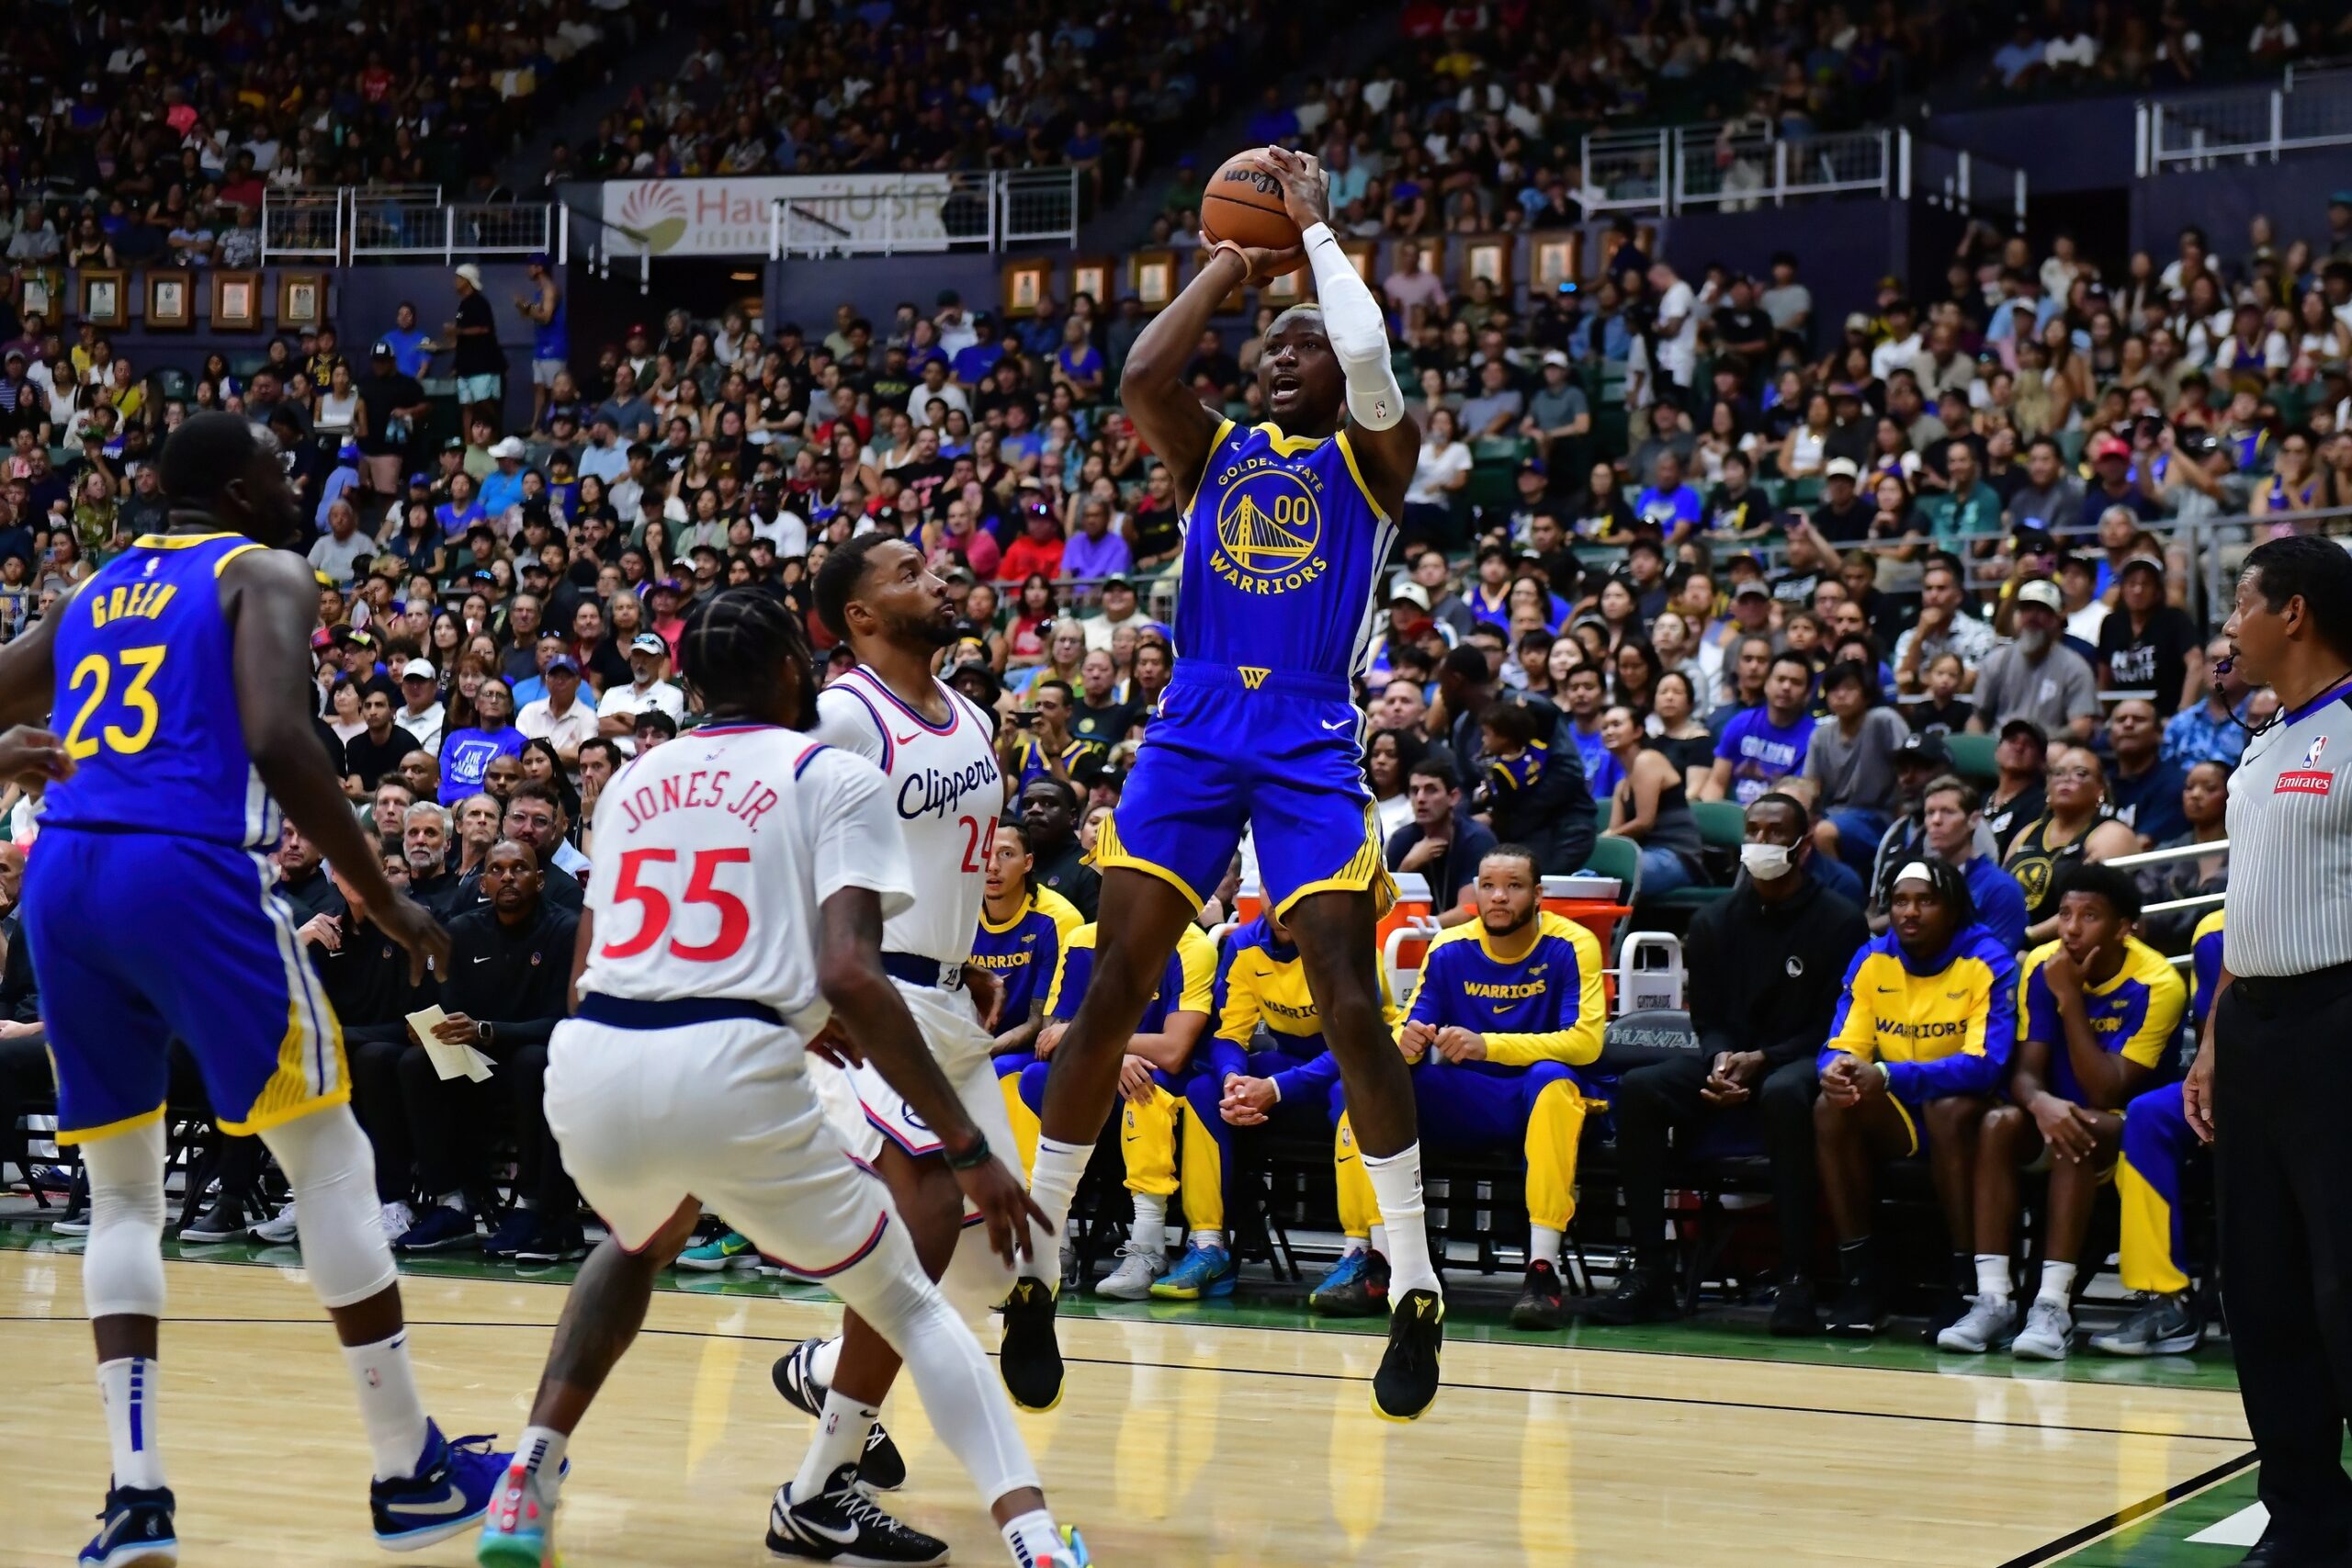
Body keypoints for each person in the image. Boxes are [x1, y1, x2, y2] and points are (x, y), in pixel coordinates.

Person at [470, 591, 1087, 1568]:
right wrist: (966, 1145)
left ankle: (527, 1478)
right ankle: (1036, 1542)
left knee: (637, 1243)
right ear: (799, 672)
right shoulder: (830, 769)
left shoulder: (632, 778)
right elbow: (848, 969)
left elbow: (591, 963)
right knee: (912, 1302)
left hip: (591, 1063)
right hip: (729, 1063)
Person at [0, 412, 506, 1562]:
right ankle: (407, 1470)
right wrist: (380, 895)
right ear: (236, 487)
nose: (295, 486)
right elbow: (281, 737)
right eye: (282, 469)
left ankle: (135, 1499)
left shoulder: (90, 592)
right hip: (180, 868)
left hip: (65, 875)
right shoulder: (262, 569)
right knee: (329, 1155)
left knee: (124, 1197)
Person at [1006, 147, 1448, 1421]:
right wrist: (1224, 266)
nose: (1277, 361)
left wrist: (1312, 242)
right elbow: (1145, 373)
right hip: (1195, 718)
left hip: (1308, 727)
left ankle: (1414, 1280)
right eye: (1271, 351)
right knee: (1113, 995)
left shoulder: (1373, 462)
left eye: (1294, 351)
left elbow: (1370, 364)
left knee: (1351, 999)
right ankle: (1036, 1263)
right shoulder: (1212, 456)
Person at [757, 534, 1040, 1552]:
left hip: (946, 1002)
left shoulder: (968, 714)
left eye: (936, 567)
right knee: (918, 1221)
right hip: (874, 1003)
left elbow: (936, 864)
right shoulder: (842, 712)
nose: (940, 578)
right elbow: (783, 849)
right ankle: (820, 1488)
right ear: (861, 617)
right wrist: (805, 983)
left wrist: (962, 953)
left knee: (1012, 1256)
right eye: (909, 575)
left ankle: (828, 1370)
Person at [2179, 536, 2352, 1566]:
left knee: (2344, 1283)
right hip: (2253, 1028)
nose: (2227, 627)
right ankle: (2306, 1516)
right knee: (2264, 1284)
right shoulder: (2259, 744)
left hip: (2341, 1019)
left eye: (2240, 604)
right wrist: (2210, 1041)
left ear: (2292, 613)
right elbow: (2251, 909)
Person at [1587, 795, 1870, 1332]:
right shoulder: (1714, 921)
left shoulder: (1840, 921)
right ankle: (1650, 1272)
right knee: (1643, 1089)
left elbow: (1835, 1025)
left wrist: (1763, 1059)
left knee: (1786, 1093)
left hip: (1805, 1057)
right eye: (1753, 831)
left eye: (1774, 833)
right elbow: (1708, 1017)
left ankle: (1796, 1279)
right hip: (1730, 1057)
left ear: (1802, 846)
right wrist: (1721, 1059)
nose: (1760, 843)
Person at [1336, 846, 1603, 1331]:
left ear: (1538, 894)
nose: (1498, 897)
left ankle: (1541, 1271)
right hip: (1468, 1097)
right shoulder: (1449, 947)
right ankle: (1378, 1259)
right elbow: (1406, 1031)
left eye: (1514, 886)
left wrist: (1489, 1045)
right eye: (1487, 885)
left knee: (1552, 1080)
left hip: (1534, 1096)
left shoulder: (1573, 944)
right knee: (1368, 1088)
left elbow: (1585, 1043)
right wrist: (1408, 1043)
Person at [1939, 865, 2184, 1360]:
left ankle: (2052, 1309)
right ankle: (1993, 1300)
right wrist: (2039, 1102)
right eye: (2065, 913)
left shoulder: (2158, 981)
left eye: (2089, 916)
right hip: (2054, 1117)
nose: (2071, 928)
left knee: (2077, 1126)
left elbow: (2104, 1088)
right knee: (1999, 1122)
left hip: (2126, 1131)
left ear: (2123, 927)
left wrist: (2071, 998)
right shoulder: (2041, 966)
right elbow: (2026, 1072)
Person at [1814, 858, 2018, 1337]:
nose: (1910, 912)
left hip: (1971, 1114)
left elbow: (1986, 1065)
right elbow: (1841, 1043)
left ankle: (1965, 1281)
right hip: (1901, 1114)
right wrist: (1836, 1071)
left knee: (1948, 1109)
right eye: (1901, 901)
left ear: (1953, 910)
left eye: (1925, 901)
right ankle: (1862, 1279)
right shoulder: (1871, 958)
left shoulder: (1988, 960)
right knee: (1831, 1105)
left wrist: (1888, 1074)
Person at [390, 840, 579, 1260]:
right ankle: (451, 1204)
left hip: (537, 1061)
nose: (507, 877)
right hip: (477, 1062)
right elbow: (448, 1006)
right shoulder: (462, 930)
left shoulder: (566, 929)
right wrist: (428, 1028)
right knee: (414, 1063)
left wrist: (489, 1030)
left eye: (519, 869)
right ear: (483, 881)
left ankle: (533, 1208)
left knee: (534, 1062)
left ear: (541, 880)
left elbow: (564, 1022)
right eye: (496, 869)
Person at [2092, 905, 2223, 1359]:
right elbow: (2214, 1035)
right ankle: (2167, 1298)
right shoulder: (2216, 930)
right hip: (2241, 1078)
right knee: (2147, 1114)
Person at [2006, 745, 2138, 942]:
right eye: (2058, 773)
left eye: (2081, 773)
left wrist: (2027, 937)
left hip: (2074, 945)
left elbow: (2093, 907)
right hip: (2011, 940)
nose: (2067, 779)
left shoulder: (2112, 834)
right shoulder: (2027, 832)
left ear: (2100, 790)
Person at [1970, 581, 2098, 743]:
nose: (2032, 616)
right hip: (2000, 744)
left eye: (2042, 610)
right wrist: (1980, 745)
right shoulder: (1997, 660)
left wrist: (2039, 743)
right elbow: (1977, 717)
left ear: (2055, 617)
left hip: (2050, 747)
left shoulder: (2075, 666)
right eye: (2026, 609)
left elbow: (2082, 726)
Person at [1598, 703, 1705, 895]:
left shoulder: (1648, 759)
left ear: (1638, 731)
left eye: (1616, 725)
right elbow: (1614, 832)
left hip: (1676, 856)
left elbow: (1644, 823)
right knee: (1588, 874)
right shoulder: (1621, 785)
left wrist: (1601, 842)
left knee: (1609, 880)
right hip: (1644, 855)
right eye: (1604, 727)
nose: (1608, 731)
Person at [1387, 756, 1497, 918]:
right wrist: (1407, 867)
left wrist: (1423, 928)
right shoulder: (1402, 839)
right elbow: (1384, 909)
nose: (1421, 799)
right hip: (1410, 936)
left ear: (1453, 797)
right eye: (1414, 791)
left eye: (1431, 790)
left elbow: (1468, 912)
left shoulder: (1477, 839)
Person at [1705, 650, 1816, 805]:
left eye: (1796, 682)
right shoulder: (1741, 722)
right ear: (1767, 684)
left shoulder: (1814, 738)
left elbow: (1801, 798)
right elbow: (1716, 782)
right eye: (1780, 679)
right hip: (1733, 815)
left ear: (1808, 693)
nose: (1786, 687)